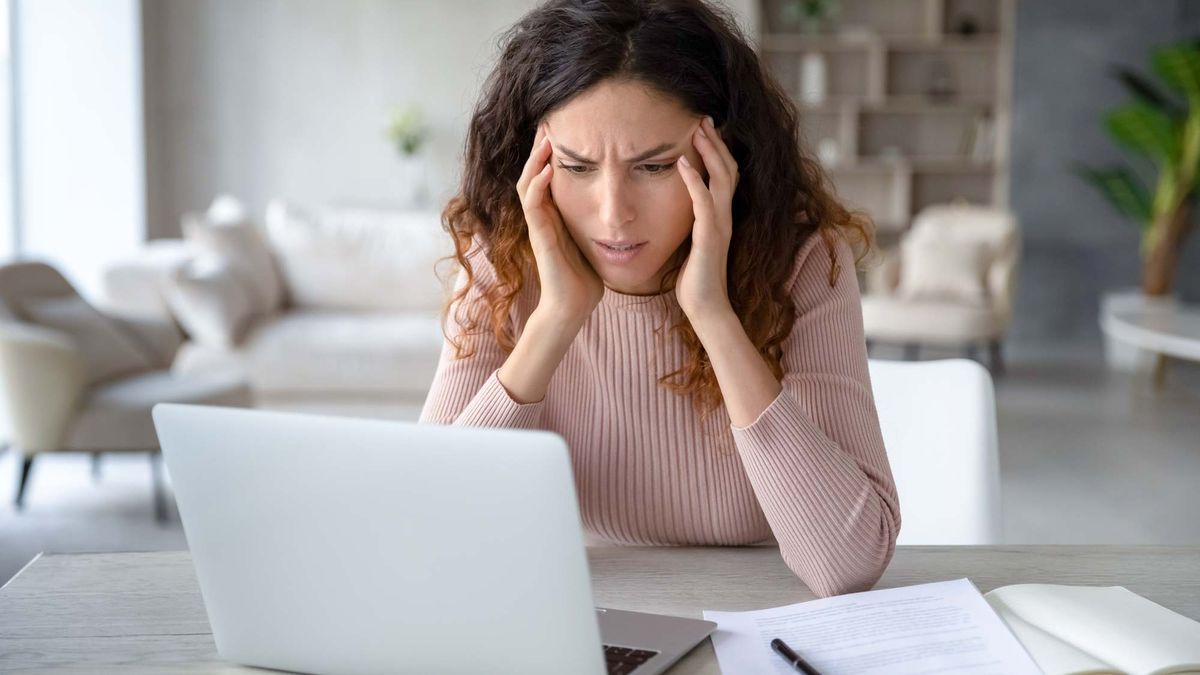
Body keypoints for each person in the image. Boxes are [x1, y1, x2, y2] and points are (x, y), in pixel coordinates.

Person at [419, 0, 901, 598]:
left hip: (765, 607)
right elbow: (428, 532)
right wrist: (556, 320)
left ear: (722, 154)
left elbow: (846, 565)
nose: (613, 214)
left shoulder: (802, 260)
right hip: (586, 608)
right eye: (575, 165)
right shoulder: (502, 262)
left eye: (655, 166)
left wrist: (713, 315)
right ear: (533, 161)